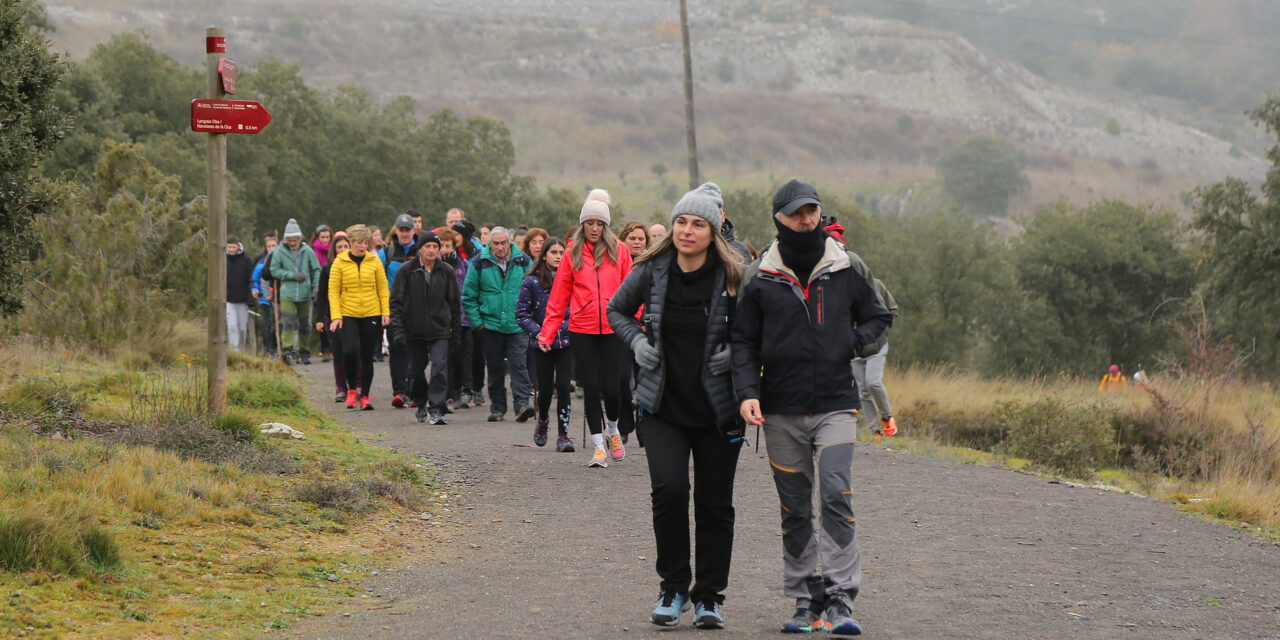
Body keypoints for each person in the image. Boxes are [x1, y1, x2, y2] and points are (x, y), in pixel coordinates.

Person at [731, 179, 892, 636]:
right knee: (796, 508)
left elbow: (880, 316)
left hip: (837, 404)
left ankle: (841, 600)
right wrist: (747, 392)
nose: (807, 219)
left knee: (836, 495)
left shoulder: (847, 265)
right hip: (780, 408)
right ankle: (806, 601)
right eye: (798, 213)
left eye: (813, 211)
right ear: (779, 218)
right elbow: (742, 342)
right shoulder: (758, 274)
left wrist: (849, 344)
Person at [608, 186, 745, 629]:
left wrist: (737, 352)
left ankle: (708, 597)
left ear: (713, 231)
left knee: (714, 503)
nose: (687, 231)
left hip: (718, 409)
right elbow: (617, 311)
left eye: (698, 224)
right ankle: (672, 588)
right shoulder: (652, 269)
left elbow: (757, 328)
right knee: (668, 492)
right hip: (662, 404)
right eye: (682, 221)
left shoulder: (734, 274)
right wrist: (636, 342)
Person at [539, 189, 633, 467]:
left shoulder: (621, 251)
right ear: (583, 225)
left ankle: (613, 429)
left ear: (606, 225)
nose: (594, 228)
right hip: (582, 328)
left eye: (599, 223)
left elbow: (632, 288)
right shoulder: (571, 254)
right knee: (591, 387)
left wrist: (635, 317)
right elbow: (558, 297)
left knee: (613, 389)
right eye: (589, 223)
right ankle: (597, 448)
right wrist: (548, 332)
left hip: (614, 327)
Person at [462, 226, 535, 422]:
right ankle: (498, 408)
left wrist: (530, 318)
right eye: (496, 243)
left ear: (509, 242)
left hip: (517, 324)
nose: (500, 247)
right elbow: (468, 296)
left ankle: (521, 404)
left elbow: (536, 289)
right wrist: (478, 323)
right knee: (494, 367)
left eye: (503, 243)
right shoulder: (479, 262)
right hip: (490, 325)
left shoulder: (524, 261)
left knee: (519, 365)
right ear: (490, 244)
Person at [390, 231, 461, 425]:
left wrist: (456, 333)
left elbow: (454, 303)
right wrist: (398, 330)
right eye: (427, 247)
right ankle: (420, 402)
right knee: (415, 372)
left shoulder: (446, 270)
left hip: (440, 330)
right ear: (420, 248)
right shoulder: (407, 270)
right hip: (414, 330)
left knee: (439, 369)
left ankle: (437, 408)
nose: (431, 251)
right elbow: (395, 302)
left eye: (435, 247)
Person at [517, 238, 576, 452]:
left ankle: (564, 434)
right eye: (553, 252)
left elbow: (577, 310)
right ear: (544, 255)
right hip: (541, 343)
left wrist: (562, 329)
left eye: (562, 252)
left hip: (566, 341)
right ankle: (542, 420)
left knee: (563, 387)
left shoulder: (573, 279)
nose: (558, 256)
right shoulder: (531, 281)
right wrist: (541, 333)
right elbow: (522, 314)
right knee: (544, 391)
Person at [329, 224, 390, 410]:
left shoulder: (374, 261)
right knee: (349, 351)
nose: (362, 246)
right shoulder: (340, 262)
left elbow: (383, 287)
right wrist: (336, 316)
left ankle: (365, 395)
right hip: (348, 313)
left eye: (365, 242)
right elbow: (333, 291)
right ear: (350, 243)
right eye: (358, 242)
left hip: (371, 312)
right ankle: (351, 389)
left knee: (367, 354)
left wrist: (385, 312)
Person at [617, 221, 652, 444]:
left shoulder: (652, 264)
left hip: (645, 329)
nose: (637, 242)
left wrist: (644, 318)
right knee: (621, 379)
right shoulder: (617, 261)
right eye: (633, 238)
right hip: (622, 330)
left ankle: (643, 425)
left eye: (641, 239)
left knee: (644, 380)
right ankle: (624, 423)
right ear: (624, 240)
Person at [851, 278, 900, 438]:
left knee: (873, 382)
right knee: (863, 391)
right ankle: (875, 431)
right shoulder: (840, 290)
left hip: (877, 346)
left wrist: (880, 332)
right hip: (856, 349)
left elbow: (893, 310)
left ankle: (887, 417)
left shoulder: (876, 284)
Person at [270, 218, 323, 364]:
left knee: (305, 324)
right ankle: (288, 350)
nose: (293, 243)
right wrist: (291, 275)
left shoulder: (307, 251)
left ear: (300, 238)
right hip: (287, 293)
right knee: (288, 322)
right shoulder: (279, 251)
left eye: (295, 240)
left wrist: (316, 286)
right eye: (290, 240)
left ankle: (304, 350)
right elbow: (274, 270)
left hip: (305, 294)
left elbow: (316, 269)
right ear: (286, 239)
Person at [381, 213, 419, 408]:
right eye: (401, 230)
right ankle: (399, 391)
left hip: (417, 308)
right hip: (394, 308)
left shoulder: (422, 250)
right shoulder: (386, 252)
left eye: (408, 230)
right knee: (397, 349)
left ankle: (413, 391)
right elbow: (378, 281)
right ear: (396, 231)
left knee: (414, 350)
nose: (405, 233)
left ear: (414, 231)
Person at [439, 229, 476, 409]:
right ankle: (447, 394)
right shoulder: (436, 266)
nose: (445, 249)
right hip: (442, 319)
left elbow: (469, 291)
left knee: (464, 357)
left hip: (463, 318)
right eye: (442, 246)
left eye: (448, 245)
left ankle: (463, 390)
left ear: (454, 246)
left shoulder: (463, 265)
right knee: (446, 358)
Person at [316, 232, 354, 402]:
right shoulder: (327, 269)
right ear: (334, 250)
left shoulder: (356, 267)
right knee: (338, 352)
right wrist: (318, 319)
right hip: (332, 314)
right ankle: (340, 388)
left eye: (346, 246)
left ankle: (356, 386)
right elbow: (321, 294)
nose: (343, 250)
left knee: (353, 351)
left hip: (353, 313)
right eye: (339, 247)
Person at [226, 235, 254, 353]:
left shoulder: (246, 261)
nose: (232, 250)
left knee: (242, 328)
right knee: (232, 327)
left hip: (242, 300)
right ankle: (234, 351)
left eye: (234, 247)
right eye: (229, 247)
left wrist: (250, 298)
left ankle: (241, 351)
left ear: (238, 246)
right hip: (228, 300)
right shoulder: (223, 259)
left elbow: (250, 279)